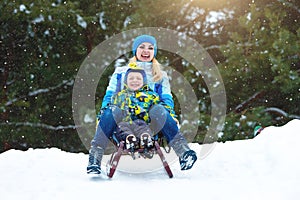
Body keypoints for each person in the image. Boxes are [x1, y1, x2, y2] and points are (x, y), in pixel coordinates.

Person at [87, 34, 197, 174]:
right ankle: (95, 158)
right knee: (111, 110)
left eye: (150, 48)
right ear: (135, 50)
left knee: (159, 109)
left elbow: (166, 100)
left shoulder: (160, 75)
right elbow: (109, 97)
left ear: (154, 52)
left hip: (150, 123)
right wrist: (103, 116)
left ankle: (183, 152)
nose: (146, 51)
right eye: (142, 47)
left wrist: (171, 117)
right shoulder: (121, 72)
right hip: (123, 122)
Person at [112, 66, 176, 150]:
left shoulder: (151, 95)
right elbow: (113, 108)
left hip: (143, 122)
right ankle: (130, 139)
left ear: (144, 82)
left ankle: (145, 139)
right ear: (126, 82)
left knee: (145, 129)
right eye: (131, 78)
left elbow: (160, 108)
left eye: (138, 78)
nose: (135, 80)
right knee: (121, 129)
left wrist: (171, 116)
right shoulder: (120, 96)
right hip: (125, 122)